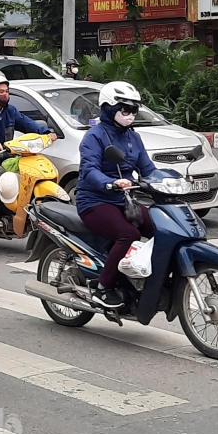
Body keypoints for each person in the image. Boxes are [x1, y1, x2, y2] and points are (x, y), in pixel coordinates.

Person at [76, 81, 156, 310]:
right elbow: (89, 170)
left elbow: (148, 168)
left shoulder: (134, 138)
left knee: (160, 227)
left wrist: (172, 180)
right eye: (125, 109)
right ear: (109, 109)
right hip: (94, 200)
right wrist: (110, 182)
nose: (130, 115)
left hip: (124, 199)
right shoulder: (94, 136)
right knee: (128, 233)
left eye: (134, 110)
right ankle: (103, 288)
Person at [0, 71, 56, 228]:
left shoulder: (11, 111)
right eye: (1, 92)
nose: (5, 94)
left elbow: (28, 123)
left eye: (7, 91)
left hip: (6, 155)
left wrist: (47, 132)